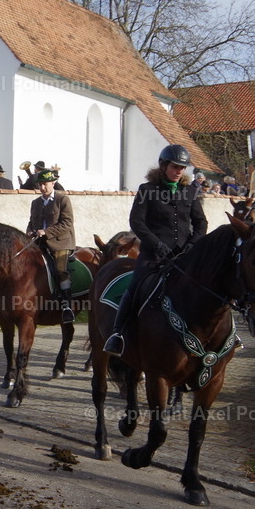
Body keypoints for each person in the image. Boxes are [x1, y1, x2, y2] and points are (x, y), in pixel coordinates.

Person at [104, 144, 208, 356]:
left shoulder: (190, 192)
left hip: (184, 256)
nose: (179, 171)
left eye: (182, 167)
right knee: (135, 287)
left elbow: (201, 223)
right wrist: (157, 245)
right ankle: (118, 334)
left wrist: (192, 244)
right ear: (163, 166)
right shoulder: (147, 190)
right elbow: (137, 222)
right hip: (154, 255)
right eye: (175, 166)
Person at [26, 170, 76, 322]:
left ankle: (67, 307)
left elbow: (67, 223)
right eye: (40, 184)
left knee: (60, 270)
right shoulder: (35, 203)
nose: (42, 188)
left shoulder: (63, 199)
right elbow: (31, 222)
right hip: (39, 243)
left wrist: (46, 232)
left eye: (45, 184)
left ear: (53, 183)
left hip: (60, 242)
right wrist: (29, 231)